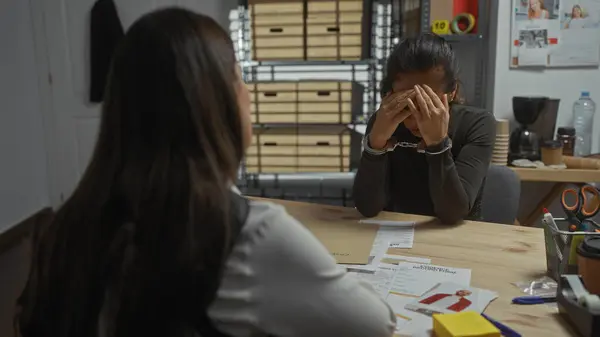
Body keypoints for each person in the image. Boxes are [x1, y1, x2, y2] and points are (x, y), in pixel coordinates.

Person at [15, 8, 395, 337]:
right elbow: (374, 324)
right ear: (219, 102)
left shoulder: (63, 227)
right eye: (239, 77)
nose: (248, 92)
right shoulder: (248, 233)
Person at [353, 34, 495, 223]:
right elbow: (367, 208)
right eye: (405, 105)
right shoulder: (385, 122)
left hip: (460, 238)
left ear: (451, 92)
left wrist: (438, 144)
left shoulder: (477, 124)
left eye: (427, 105)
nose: (416, 120)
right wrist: (376, 144)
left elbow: (453, 214)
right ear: (390, 94)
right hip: (396, 232)